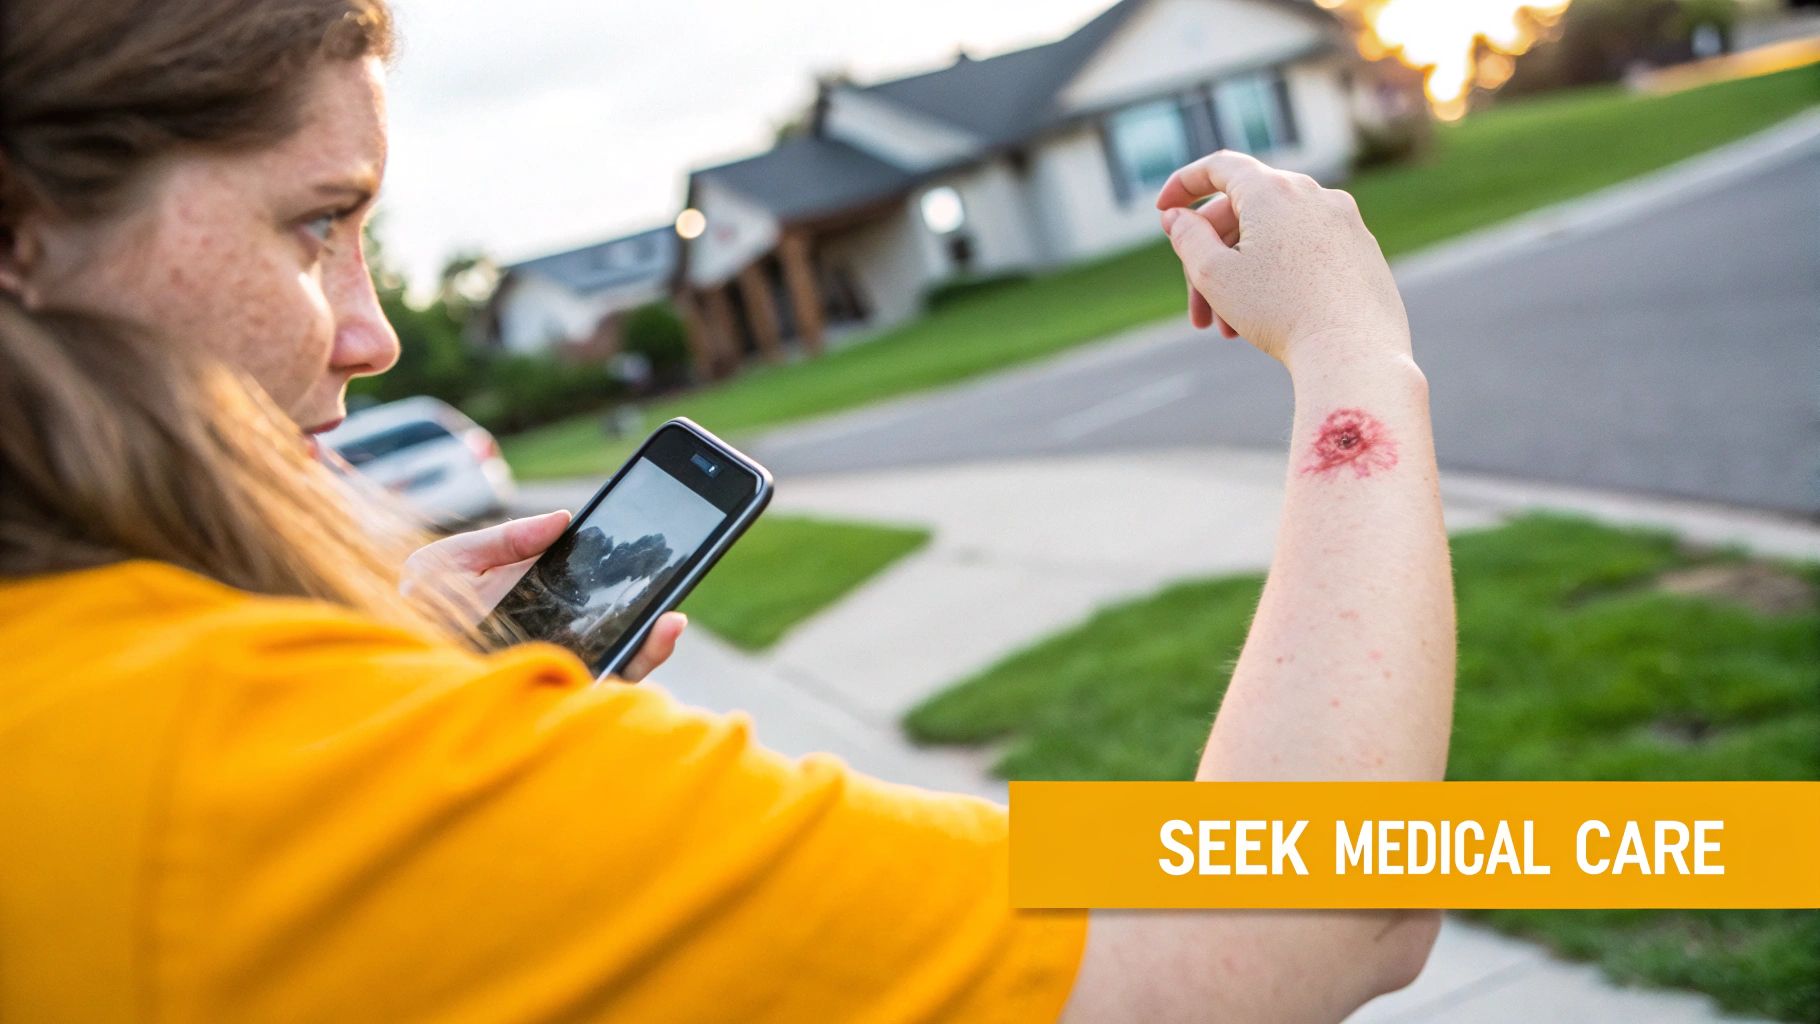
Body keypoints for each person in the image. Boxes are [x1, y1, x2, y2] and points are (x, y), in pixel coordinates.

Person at [0, 2, 1455, 1021]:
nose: (371, 334)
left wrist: (362, 660)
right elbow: (1300, 913)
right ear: (21, 231)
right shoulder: (286, 779)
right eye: (315, 223)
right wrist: (1349, 349)